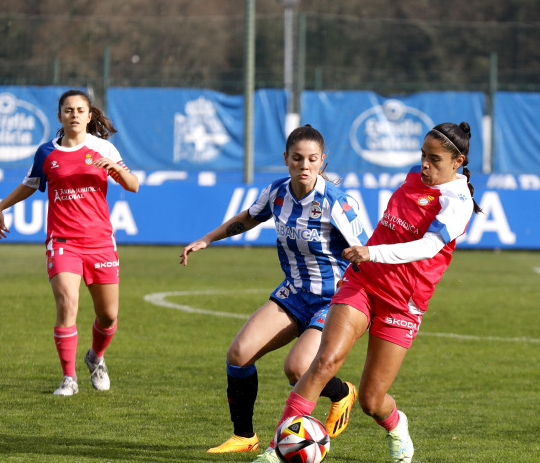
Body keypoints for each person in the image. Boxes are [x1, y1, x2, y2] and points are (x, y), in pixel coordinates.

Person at [253, 122, 480, 463]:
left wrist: (372, 251)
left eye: (434, 159)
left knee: (372, 401)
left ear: (458, 161)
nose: (424, 165)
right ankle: (277, 448)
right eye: (422, 156)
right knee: (324, 362)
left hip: (403, 302)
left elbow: (427, 247)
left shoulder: (458, 202)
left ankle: (397, 424)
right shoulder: (413, 179)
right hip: (364, 282)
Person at [180, 125, 369, 455]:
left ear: (322, 161)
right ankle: (244, 437)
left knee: (297, 369)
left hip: (333, 300)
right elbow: (250, 218)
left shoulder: (337, 203)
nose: (304, 166)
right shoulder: (277, 192)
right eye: (297, 159)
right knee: (238, 356)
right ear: (286, 159)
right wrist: (207, 238)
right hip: (294, 293)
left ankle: (341, 392)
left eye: (312, 159)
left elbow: (367, 254)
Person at [0, 89, 139, 396]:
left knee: (108, 316)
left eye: (80, 110)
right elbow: (29, 185)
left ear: (89, 115)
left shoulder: (103, 149)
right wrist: (1, 206)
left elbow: (134, 185)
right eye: (68, 110)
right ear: (59, 116)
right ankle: (68, 378)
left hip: (100, 243)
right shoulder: (47, 153)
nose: (74, 115)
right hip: (63, 242)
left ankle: (95, 357)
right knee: (66, 304)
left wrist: (112, 168)